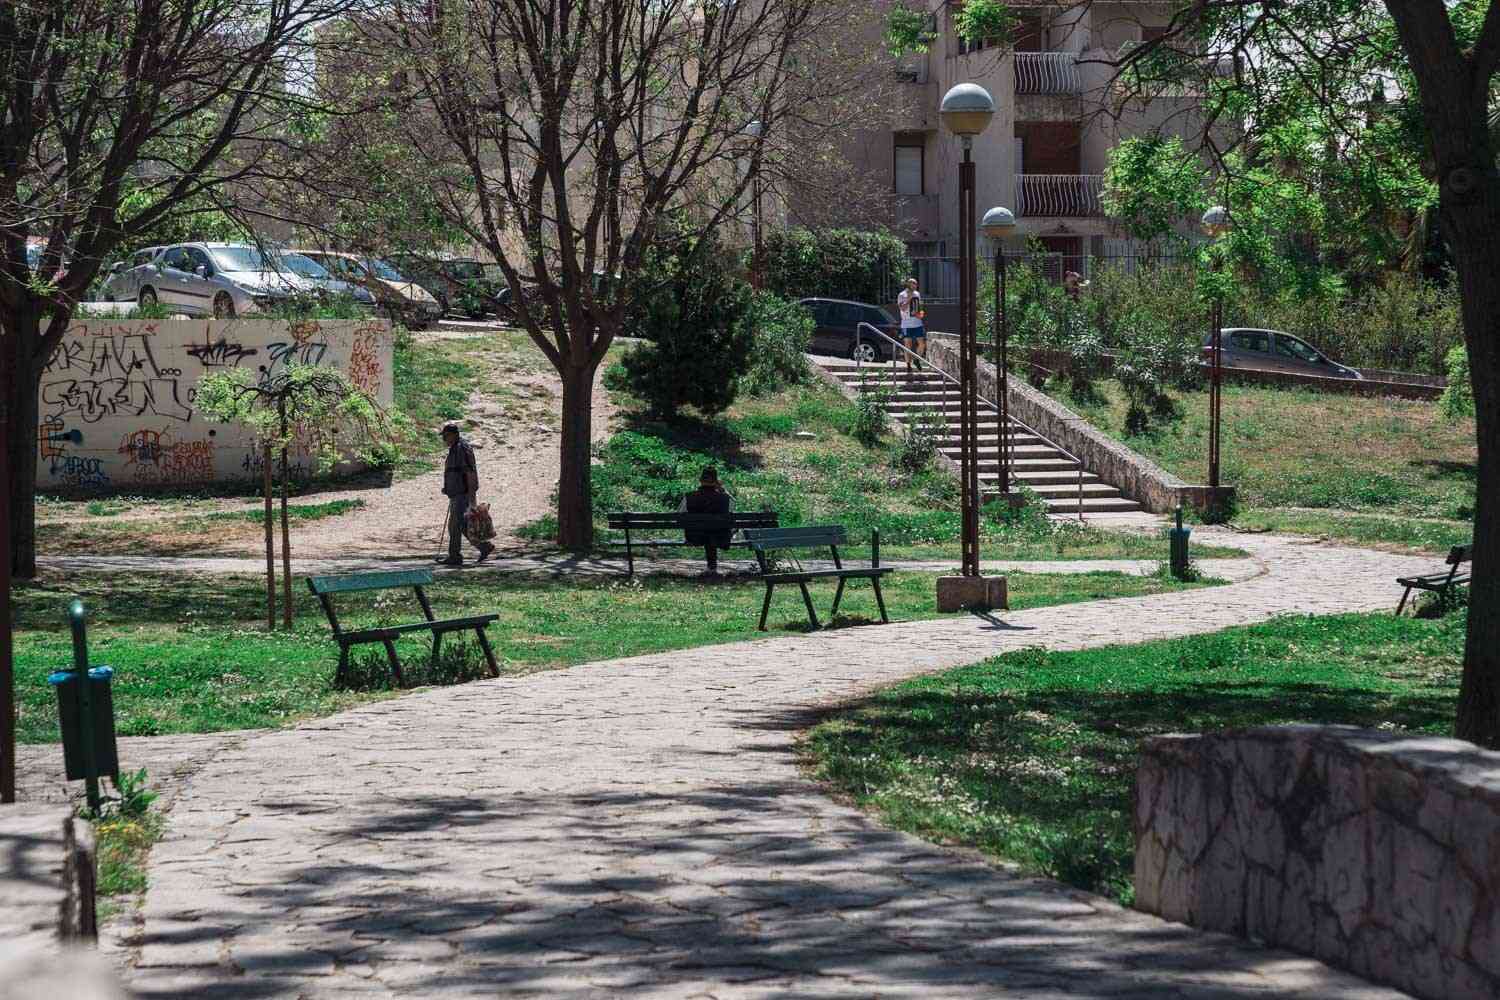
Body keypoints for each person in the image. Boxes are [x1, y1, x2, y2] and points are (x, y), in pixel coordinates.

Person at [437, 421, 493, 567]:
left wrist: (472, 497)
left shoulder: (461, 448)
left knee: (457, 525)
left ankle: (457, 555)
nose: (444, 439)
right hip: (457, 494)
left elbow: (469, 473)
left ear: (454, 435)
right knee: (458, 525)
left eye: (446, 436)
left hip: (462, 494)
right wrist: (448, 488)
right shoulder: (456, 448)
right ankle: (481, 548)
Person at [678, 466, 734, 578]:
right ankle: (712, 568)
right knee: (713, 531)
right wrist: (722, 490)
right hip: (720, 536)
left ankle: (711, 567)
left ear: (700, 481)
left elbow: (679, 515)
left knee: (707, 531)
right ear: (716, 482)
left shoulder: (690, 496)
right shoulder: (724, 498)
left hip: (695, 536)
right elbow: (732, 509)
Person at [896, 277, 926, 371]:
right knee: (908, 345)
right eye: (914, 284)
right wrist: (909, 298)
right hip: (906, 324)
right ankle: (908, 365)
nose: (916, 285)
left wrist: (921, 313)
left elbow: (920, 305)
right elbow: (902, 308)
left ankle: (916, 359)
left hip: (917, 323)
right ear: (909, 285)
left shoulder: (917, 294)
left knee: (922, 344)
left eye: (916, 284)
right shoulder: (902, 295)